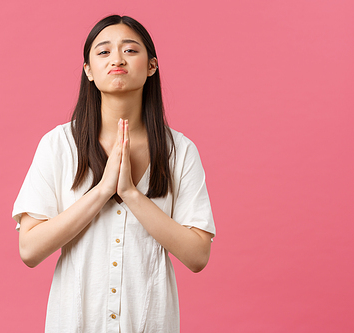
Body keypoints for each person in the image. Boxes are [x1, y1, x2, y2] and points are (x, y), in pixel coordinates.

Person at [12, 14, 216, 333]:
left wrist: (132, 195)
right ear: (88, 71)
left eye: (131, 50)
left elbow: (197, 255)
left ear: (152, 66)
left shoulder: (180, 150)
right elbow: (30, 249)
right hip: (75, 323)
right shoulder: (58, 145)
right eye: (104, 51)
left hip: (150, 323)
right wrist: (103, 190)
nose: (117, 59)